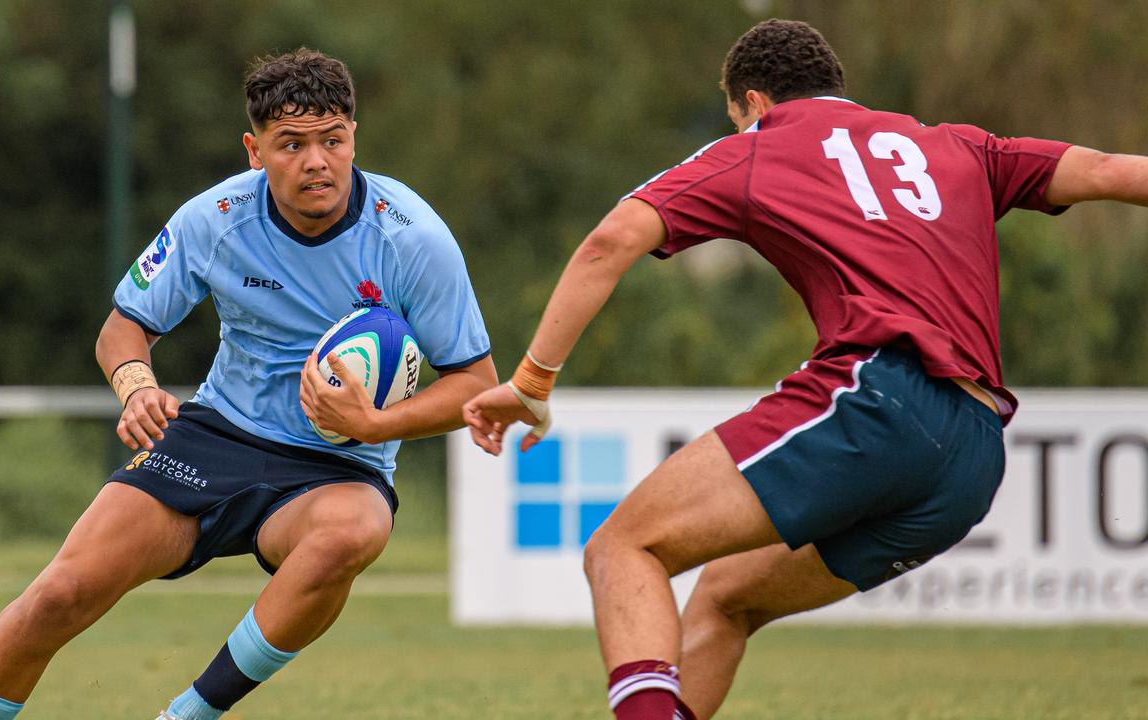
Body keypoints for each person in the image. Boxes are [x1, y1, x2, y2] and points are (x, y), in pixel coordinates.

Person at [462, 18, 1148, 720]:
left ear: (753, 104)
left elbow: (612, 240)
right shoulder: (959, 144)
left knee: (623, 547)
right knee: (727, 597)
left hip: (881, 399)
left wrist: (533, 381)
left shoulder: (760, 148)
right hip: (971, 455)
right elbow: (1107, 171)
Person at [0, 48, 495, 720]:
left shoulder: (413, 240)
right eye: (291, 144)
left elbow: (474, 384)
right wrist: (138, 386)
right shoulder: (216, 218)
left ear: (354, 138)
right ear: (254, 151)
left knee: (353, 533)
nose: (316, 161)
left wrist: (374, 426)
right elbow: (123, 329)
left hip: (338, 464)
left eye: (332, 140)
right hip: (214, 439)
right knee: (61, 592)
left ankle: (186, 716)